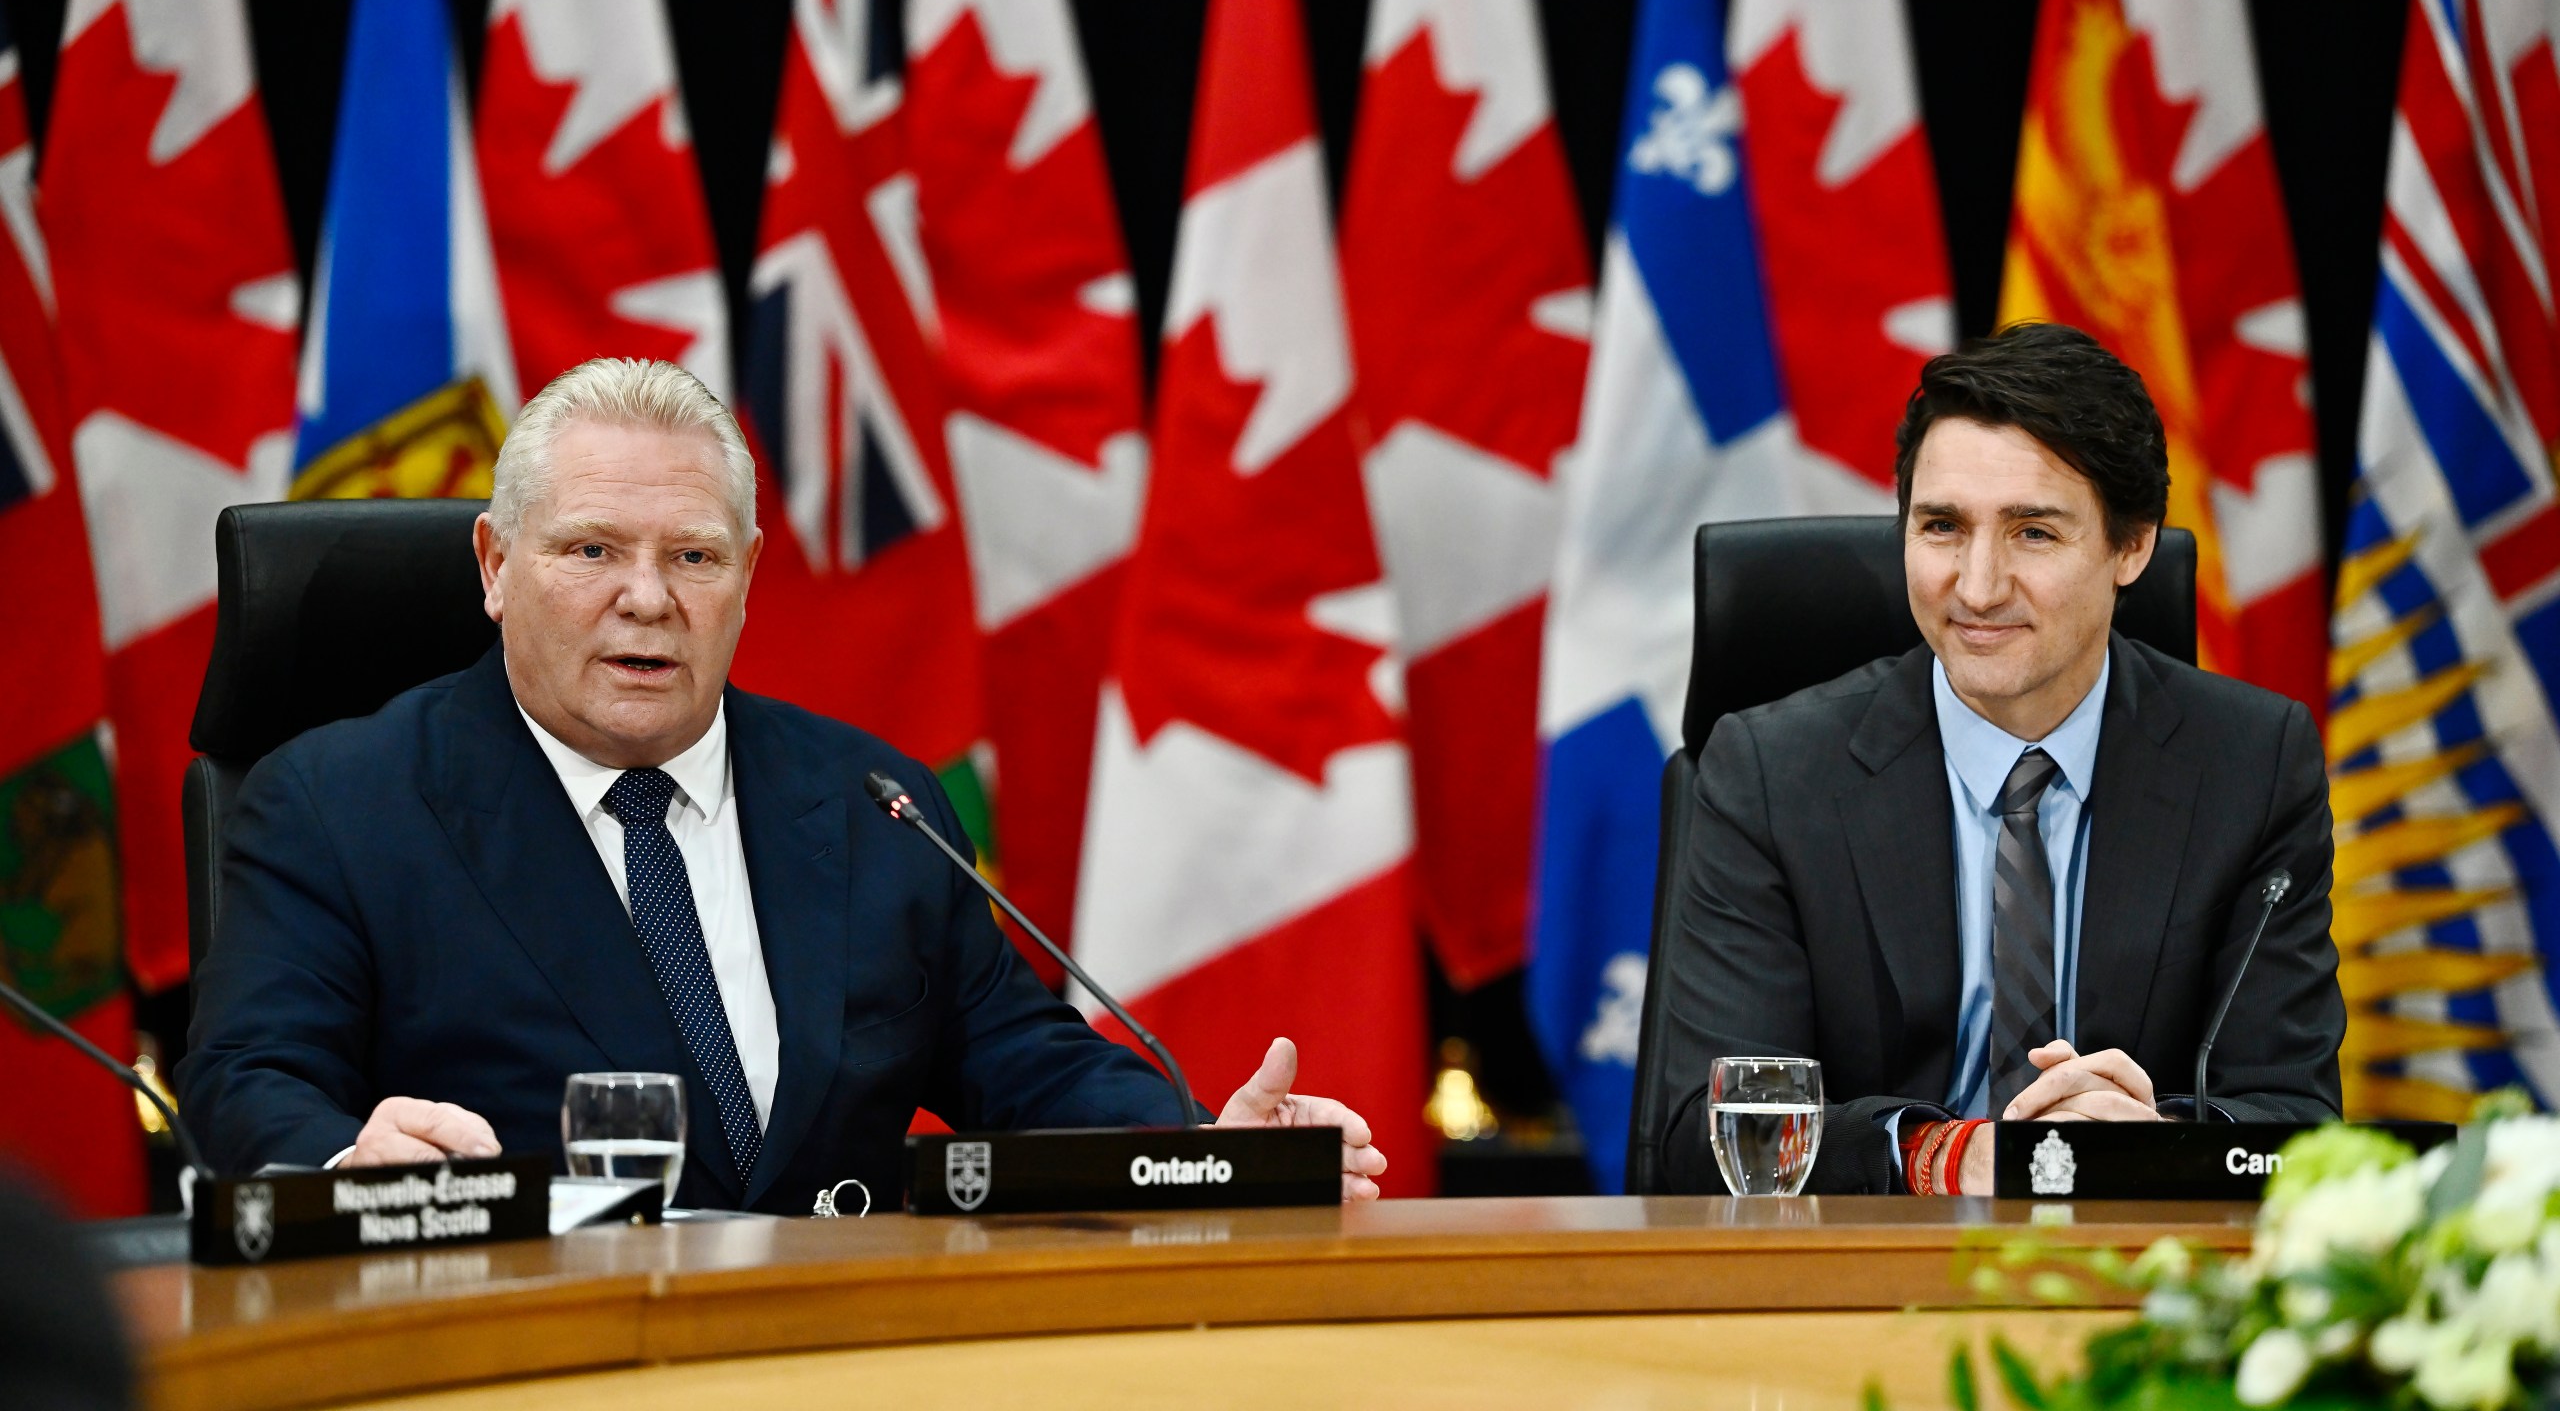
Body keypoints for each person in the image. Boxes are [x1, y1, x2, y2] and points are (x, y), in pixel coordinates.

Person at [179, 358, 1388, 1211]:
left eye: (692, 556)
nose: (646, 599)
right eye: (592, 550)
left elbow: (1030, 1069)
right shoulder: (339, 805)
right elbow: (249, 1079)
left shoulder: (872, 802)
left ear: (747, 578)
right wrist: (348, 1167)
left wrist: (1203, 1154)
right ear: (496, 565)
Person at [1658, 323, 2344, 1196]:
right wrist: (1945, 1155)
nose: (1977, 587)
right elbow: (1705, 1133)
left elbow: (2300, 1124)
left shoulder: (2251, 764)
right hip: (1860, 1290)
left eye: (2032, 533)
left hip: (2134, 1283)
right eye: (1942, 527)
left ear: (2130, 546)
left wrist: (2158, 1141)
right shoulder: (1769, 772)